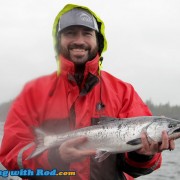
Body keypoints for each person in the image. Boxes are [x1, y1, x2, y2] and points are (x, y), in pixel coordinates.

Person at [0, 3, 175, 180]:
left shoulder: (123, 92)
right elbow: (11, 156)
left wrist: (142, 155)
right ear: (58, 41)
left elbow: (140, 167)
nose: (79, 40)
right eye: (70, 33)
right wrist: (54, 157)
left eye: (87, 33)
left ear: (98, 41)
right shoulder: (33, 93)